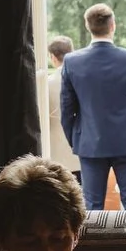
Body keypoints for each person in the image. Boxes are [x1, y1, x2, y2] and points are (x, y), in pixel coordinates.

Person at [58, 4, 126, 211]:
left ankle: (95, 244)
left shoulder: (71, 61)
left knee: (92, 208)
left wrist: (77, 141)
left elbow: (66, 110)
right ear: (113, 25)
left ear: (88, 26)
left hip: (90, 144)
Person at [46, 36, 81, 180]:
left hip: (56, 154)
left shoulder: (47, 83)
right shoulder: (83, 79)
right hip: (82, 151)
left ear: (52, 57)